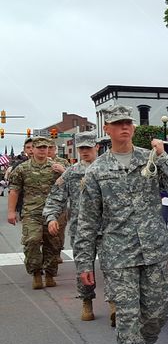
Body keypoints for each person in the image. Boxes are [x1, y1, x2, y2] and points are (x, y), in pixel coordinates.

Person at [74, 105, 168, 344]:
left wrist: (164, 156)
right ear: (108, 130)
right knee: (127, 316)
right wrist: (84, 264)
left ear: (134, 128)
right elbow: (86, 221)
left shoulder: (150, 159)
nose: (124, 128)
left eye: (128, 123)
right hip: (118, 254)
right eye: (118, 124)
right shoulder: (97, 170)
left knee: (157, 312)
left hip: (153, 249)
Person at [42, 132, 108, 322]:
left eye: (89, 147)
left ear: (96, 147)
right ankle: (87, 302)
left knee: (113, 268)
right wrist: (52, 217)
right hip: (81, 231)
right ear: (78, 150)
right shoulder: (70, 174)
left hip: (108, 229)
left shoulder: (108, 170)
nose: (85, 151)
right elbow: (55, 197)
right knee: (83, 269)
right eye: (82, 148)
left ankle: (114, 304)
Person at [6, 137, 64, 289]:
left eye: (45, 147)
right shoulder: (23, 168)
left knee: (52, 244)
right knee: (32, 241)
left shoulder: (56, 167)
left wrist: (63, 172)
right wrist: (11, 212)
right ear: (32, 150)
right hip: (31, 212)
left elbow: (71, 185)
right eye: (39, 147)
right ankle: (36, 273)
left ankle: (50, 274)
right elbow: (14, 190)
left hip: (53, 213)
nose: (42, 150)